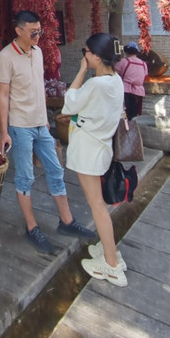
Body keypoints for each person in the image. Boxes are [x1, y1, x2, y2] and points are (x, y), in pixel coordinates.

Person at [0, 10, 94, 255]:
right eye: (33, 32)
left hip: (41, 125)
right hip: (20, 127)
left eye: (39, 31)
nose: (38, 36)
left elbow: (38, 87)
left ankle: (67, 221)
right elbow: (3, 95)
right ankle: (32, 227)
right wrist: (4, 132)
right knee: (25, 177)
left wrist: (46, 120)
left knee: (56, 170)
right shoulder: (5, 57)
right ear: (18, 31)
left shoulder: (38, 52)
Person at [61, 33, 127, 287]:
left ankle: (111, 264)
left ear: (97, 56)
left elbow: (69, 104)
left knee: (96, 205)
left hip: (89, 149)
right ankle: (108, 249)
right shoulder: (115, 80)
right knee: (98, 204)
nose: (84, 56)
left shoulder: (96, 85)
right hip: (101, 147)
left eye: (85, 52)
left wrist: (80, 72)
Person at [114, 42, 148, 119]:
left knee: (124, 112)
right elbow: (145, 74)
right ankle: (133, 124)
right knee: (134, 112)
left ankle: (125, 125)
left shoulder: (123, 61)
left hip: (125, 89)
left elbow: (115, 73)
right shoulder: (143, 63)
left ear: (126, 51)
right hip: (138, 91)